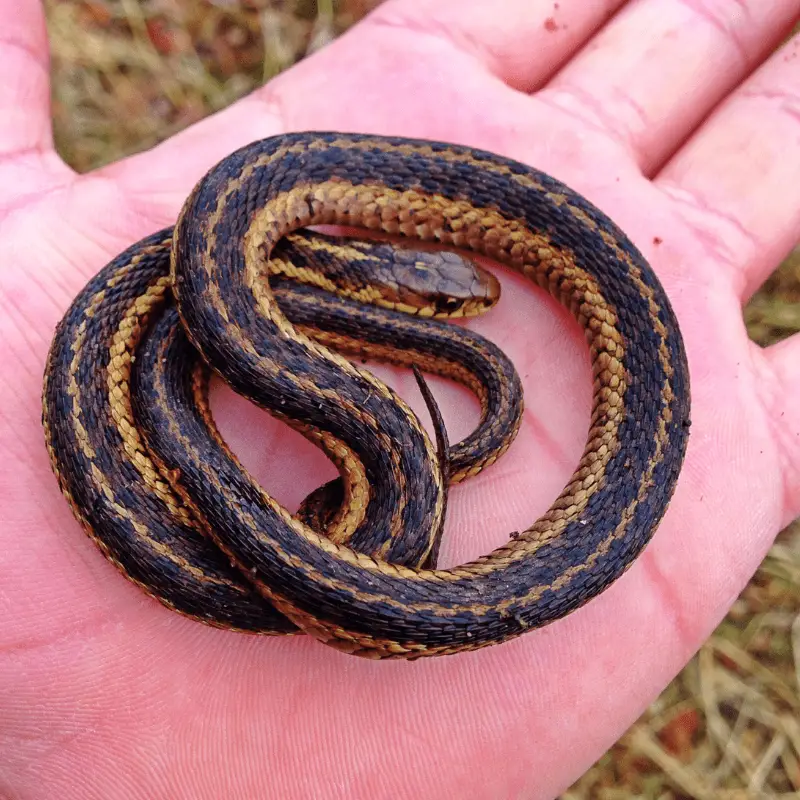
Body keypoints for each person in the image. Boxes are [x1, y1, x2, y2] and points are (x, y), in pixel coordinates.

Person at [2, 1, 799, 797]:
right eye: (448, 310)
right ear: (396, 291)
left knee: (392, 521)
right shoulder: (223, 258)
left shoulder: (261, 276)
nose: (468, 300)